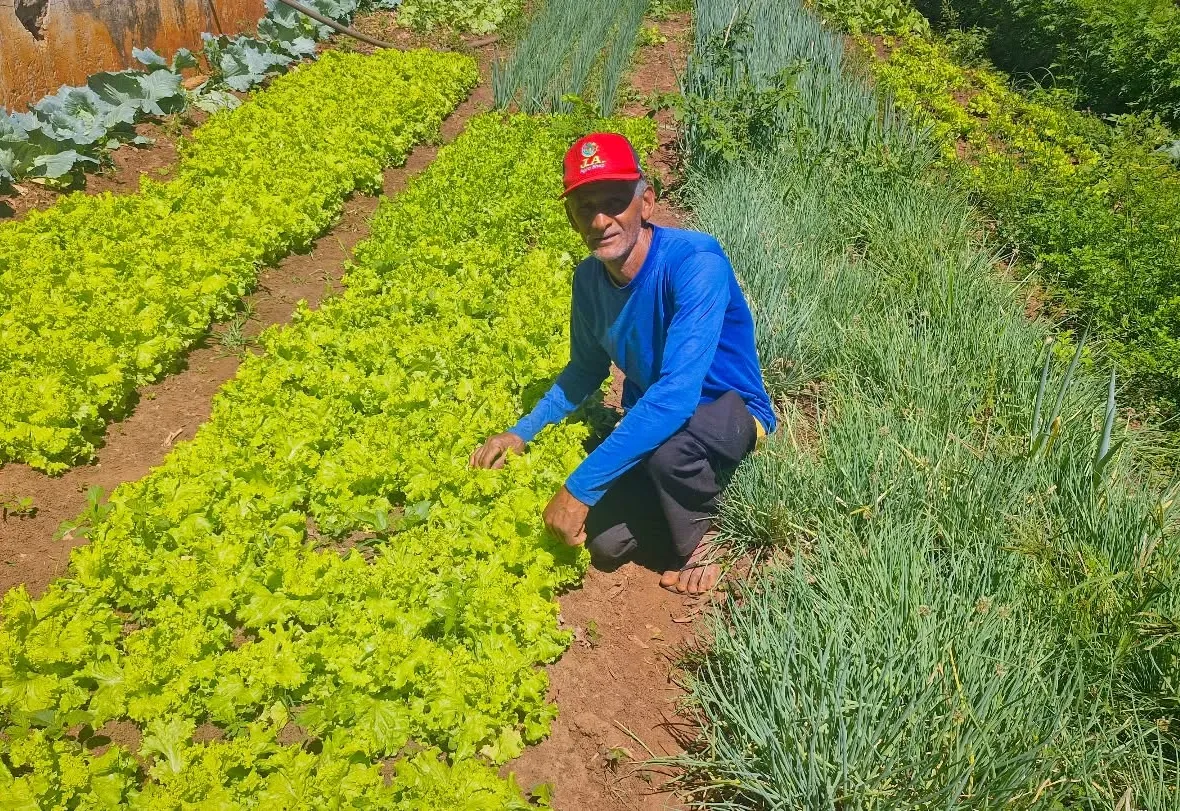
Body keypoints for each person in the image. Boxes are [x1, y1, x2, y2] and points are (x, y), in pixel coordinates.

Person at [470, 132, 774, 595]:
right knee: (606, 543)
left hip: (729, 412)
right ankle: (682, 502)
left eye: (615, 201)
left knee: (672, 452)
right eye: (584, 206)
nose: (600, 220)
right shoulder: (589, 280)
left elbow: (676, 397)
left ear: (646, 202)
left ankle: (711, 539)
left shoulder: (695, 263)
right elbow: (585, 371)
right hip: (660, 418)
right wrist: (521, 432)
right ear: (570, 218)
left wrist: (578, 489)